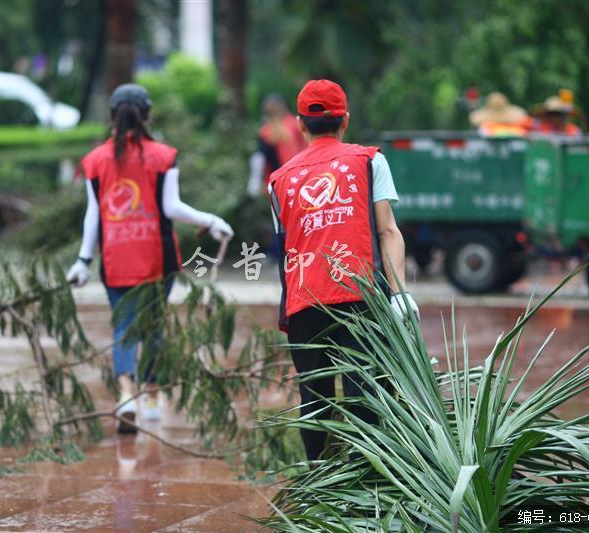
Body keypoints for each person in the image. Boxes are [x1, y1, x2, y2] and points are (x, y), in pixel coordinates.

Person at [66, 84, 233, 433]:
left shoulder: (95, 161)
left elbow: (93, 215)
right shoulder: (163, 155)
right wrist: (211, 221)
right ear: (147, 116)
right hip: (158, 257)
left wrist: (83, 259)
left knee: (124, 326)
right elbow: (171, 207)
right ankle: (153, 396)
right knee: (153, 325)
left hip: (115, 258)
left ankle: (127, 395)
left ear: (112, 116)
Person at [267, 79, 419, 461]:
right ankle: (366, 483)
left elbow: (289, 246)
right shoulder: (369, 161)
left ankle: (319, 483)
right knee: (364, 394)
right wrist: (400, 294)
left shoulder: (278, 181)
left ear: (300, 125)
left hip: (304, 303)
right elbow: (387, 231)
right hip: (360, 296)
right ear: (345, 120)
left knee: (314, 399)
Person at [246, 94, 307, 198]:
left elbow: (301, 145)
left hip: (294, 169)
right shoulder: (265, 130)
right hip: (276, 175)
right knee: (258, 158)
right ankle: (256, 181)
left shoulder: (294, 124)